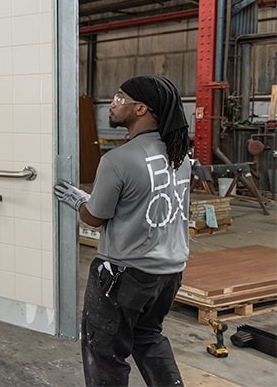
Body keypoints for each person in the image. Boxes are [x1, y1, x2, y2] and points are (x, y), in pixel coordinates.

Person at [54, 75, 191, 387]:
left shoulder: (118, 160)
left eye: (119, 98)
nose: (111, 104)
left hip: (124, 273)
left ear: (141, 109)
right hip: (169, 272)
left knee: (104, 352)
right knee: (148, 336)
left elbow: (94, 217)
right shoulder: (179, 156)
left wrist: (78, 200)